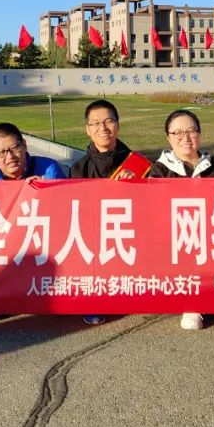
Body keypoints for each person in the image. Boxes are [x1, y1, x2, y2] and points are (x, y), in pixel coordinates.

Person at [70, 99, 151, 325]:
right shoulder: (79, 168)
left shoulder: (137, 163)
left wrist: (137, 186)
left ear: (118, 125)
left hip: (130, 233)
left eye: (108, 121)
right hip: (94, 237)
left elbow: (152, 208)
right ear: (87, 130)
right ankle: (95, 297)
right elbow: (74, 210)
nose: (102, 128)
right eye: (95, 123)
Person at [149, 109, 214, 331]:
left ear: (199, 134)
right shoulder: (159, 171)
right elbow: (155, 212)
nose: (185, 137)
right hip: (176, 240)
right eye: (177, 133)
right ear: (168, 137)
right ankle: (193, 304)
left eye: (191, 131)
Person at [0, 122, 67, 181]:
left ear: (24, 145)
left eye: (14, 148)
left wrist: (46, 189)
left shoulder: (48, 170)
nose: (10, 157)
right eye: (2, 152)